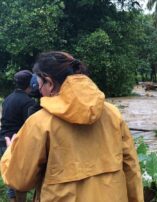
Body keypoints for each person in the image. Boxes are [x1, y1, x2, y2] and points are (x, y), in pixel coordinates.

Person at [1, 51, 144, 202]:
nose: (39, 90)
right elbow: (131, 170)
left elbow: (19, 180)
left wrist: (10, 152)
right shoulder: (113, 114)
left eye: (39, 84)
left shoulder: (40, 123)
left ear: (49, 83)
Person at [0, 70, 35, 202]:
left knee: (11, 179)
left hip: (3, 141)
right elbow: (30, 127)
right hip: (16, 143)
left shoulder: (8, 99)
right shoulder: (28, 102)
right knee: (20, 182)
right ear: (31, 83)